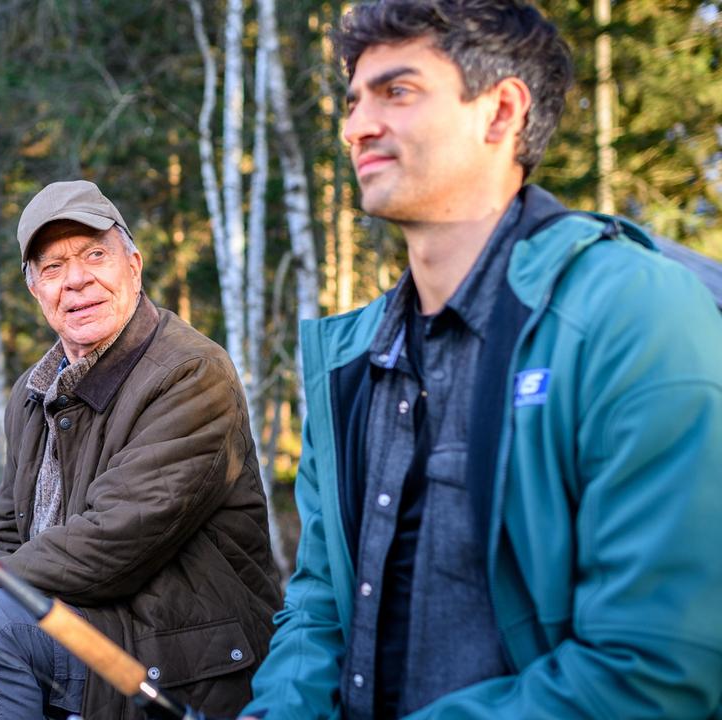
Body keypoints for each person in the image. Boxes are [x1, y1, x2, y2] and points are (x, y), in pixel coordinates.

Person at [243, 1, 722, 718]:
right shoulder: (349, 363)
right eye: (353, 101)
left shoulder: (632, 314)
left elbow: (655, 668)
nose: (356, 126)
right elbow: (319, 611)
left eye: (396, 92)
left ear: (500, 112)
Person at [0, 180, 283, 719]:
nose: (76, 280)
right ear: (36, 290)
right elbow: (8, 538)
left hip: (179, 644)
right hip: (71, 617)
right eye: (52, 268)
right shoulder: (35, 390)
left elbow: (113, 543)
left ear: (134, 265)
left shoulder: (192, 374)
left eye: (95, 255)